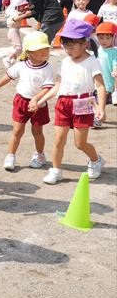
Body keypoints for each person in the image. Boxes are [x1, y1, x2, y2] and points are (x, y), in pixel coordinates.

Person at [37, 20, 106, 184]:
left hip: (84, 103)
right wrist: (42, 99)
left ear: (85, 44)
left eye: (72, 47)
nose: (68, 50)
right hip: (63, 103)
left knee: (80, 143)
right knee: (58, 140)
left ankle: (96, 160)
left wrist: (101, 108)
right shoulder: (64, 62)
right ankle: (56, 170)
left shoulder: (92, 62)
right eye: (65, 46)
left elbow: (100, 86)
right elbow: (58, 85)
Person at [0, 31, 55, 171]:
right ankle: (10, 156)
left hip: (39, 104)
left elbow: (48, 88)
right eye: (40, 49)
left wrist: (36, 99)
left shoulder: (48, 68)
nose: (44, 52)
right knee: (17, 131)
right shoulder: (21, 65)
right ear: (29, 52)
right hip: (21, 101)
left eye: (46, 49)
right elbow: (8, 76)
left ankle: (40, 155)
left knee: (37, 131)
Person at [96, 22, 117, 107]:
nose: (104, 41)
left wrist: (115, 69)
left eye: (108, 38)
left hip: (109, 78)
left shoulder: (114, 51)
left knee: (103, 99)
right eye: (101, 38)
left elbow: (115, 62)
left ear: (113, 38)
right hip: (99, 79)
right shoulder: (98, 49)